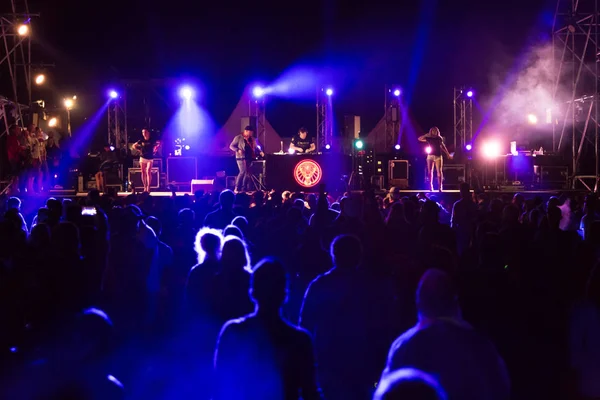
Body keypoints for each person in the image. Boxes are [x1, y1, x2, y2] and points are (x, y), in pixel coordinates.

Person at [382, 269, 510, 400]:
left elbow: (388, 393)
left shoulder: (402, 347)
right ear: (455, 300)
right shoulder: (479, 344)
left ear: (419, 302)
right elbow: (500, 390)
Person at [214, 258, 322, 400]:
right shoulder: (299, 340)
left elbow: (219, 389)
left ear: (253, 292)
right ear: (284, 294)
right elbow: (310, 393)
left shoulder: (234, 332)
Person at [229, 125, 264, 193]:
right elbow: (231, 146)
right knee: (243, 171)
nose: (251, 134)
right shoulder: (239, 137)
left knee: (248, 173)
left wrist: (260, 152)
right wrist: (238, 150)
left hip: (250, 158)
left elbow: (256, 147)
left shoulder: (252, 139)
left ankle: (244, 188)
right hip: (241, 157)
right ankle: (237, 188)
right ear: (246, 131)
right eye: (250, 132)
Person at [418, 127, 452, 192]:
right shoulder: (428, 138)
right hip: (430, 156)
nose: (434, 132)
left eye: (436, 131)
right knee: (429, 171)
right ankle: (430, 186)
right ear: (431, 131)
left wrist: (447, 154)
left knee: (439, 171)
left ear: (437, 131)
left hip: (438, 156)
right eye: (433, 131)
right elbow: (419, 139)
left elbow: (443, 146)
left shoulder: (439, 138)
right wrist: (426, 135)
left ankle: (440, 186)